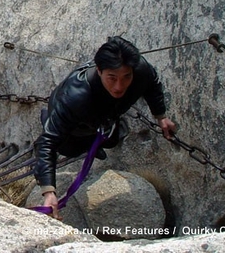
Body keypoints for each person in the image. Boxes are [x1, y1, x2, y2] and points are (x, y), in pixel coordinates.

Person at [34, 36, 177, 217]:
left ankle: (102, 134)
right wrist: (49, 192)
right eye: (112, 78)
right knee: (69, 149)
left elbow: (152, 86)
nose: (119, 86)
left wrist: (161, 116)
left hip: (106, 115)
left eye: (126, 77)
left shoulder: (141, 71)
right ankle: (50, 120)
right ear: (99, 70)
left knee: (111, 140)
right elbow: (47, 142)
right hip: (76, 118)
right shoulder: (75, 96)